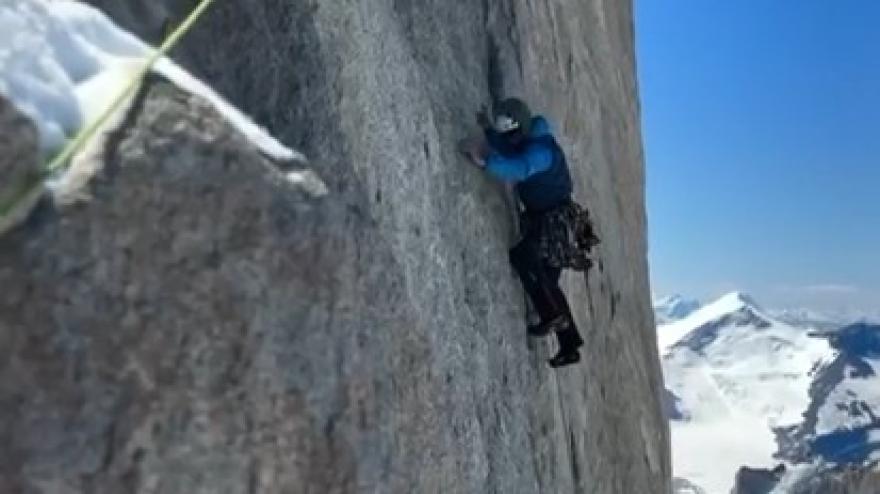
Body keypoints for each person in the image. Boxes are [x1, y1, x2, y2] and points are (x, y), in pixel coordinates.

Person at [461, 98, 599, 368]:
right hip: (549, 217)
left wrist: (485, 163)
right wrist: (489, 131)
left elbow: (521, 167)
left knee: (525, 257)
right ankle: (569, 344)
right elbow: (511, 150)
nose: (506, 134)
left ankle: (552, 318)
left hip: (554, 220)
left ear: (520, 127)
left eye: (507, 128)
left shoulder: (541, 152)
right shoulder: (526, 141)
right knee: (547, 280)